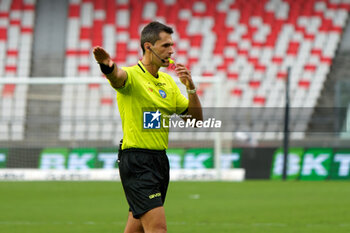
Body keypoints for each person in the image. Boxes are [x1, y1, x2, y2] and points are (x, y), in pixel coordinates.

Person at [93, 21, 203, 233]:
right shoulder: (132, 76)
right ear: (148, 47)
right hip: (137, 161)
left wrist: (191, 89)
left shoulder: (168, 83)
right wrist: (107, 66)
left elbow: (195, 120)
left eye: (172, 45)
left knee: (135, 229)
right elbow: (117, 78)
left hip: (159, 161)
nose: (171, 51)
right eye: (165, 46)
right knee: (157, 229)